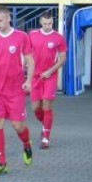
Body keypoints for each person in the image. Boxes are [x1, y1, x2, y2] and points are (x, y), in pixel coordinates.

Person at [0, 5, 34, 176]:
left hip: (15, 91)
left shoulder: (21, 37)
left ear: (9, 18)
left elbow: (30, 61)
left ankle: (27, 144)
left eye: (1, 20)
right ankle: (1, 163)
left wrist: (28, 80)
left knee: (18, 126)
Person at [29, 13, 67, 149]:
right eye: (45, 24)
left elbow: (63, 58)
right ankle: (45, 125)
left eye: (49, 23)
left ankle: (46, 138)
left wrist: (50, 71)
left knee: (46, 106)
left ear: (52, 22)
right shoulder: (32, 35)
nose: (47, 26)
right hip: (35, 76)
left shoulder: (58, 38)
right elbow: (27, 54)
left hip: (50, 76)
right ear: (40, 22)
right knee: (35, 108)